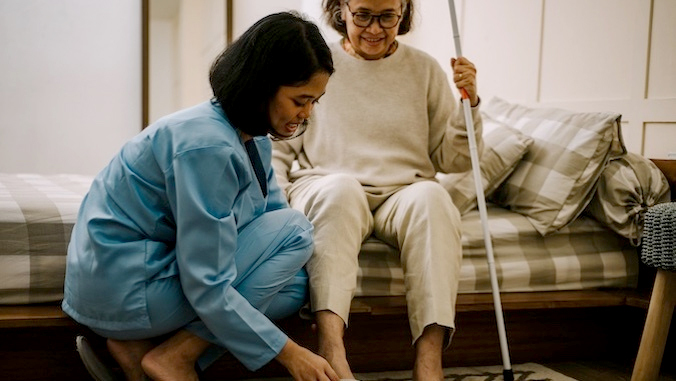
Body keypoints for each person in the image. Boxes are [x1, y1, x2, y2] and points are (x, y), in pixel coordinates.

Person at [62, 12, 338, 381]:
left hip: (140, 277)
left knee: (293, 288)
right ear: (263, 85)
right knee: (297, 230)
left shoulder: (252, 139)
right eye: (300, 100)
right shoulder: (207, 146)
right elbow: (207, 282)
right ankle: (170, 357)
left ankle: (161, 353)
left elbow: (267, 219)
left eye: (314, 103)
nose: (305, 116)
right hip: (123, 286)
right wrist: (290, 354)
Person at [271, 1, 482, 380]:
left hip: (404, 191)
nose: (374, 28)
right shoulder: (318, 64)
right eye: (363, 15)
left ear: (403, 13)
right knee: (342, 191)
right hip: (328, 182)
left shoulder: (425, 69)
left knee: (435, 199)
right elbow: (279, 148)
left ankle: (429, 364)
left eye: (387, 16)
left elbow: (455, 160)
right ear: (342, 10)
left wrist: (471, 103)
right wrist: (278, 205)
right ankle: (332, 351)